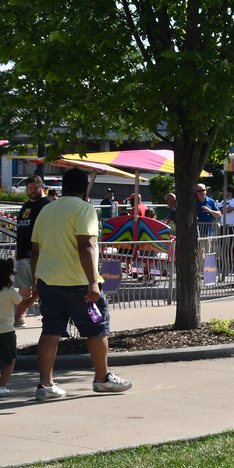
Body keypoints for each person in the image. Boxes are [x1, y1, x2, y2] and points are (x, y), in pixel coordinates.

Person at [31, 168, 132, 399]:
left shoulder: (46, 209)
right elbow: (85, 245)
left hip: (48, 281)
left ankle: (45, 386)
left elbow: (35, 250)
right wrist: (93, 283)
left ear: (63, 186)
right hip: (78, 285)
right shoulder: (84, 208)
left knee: (50, 332)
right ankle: (102, 378)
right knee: (97, 328)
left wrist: (36, 280)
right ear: (85, 188)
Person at [13, 175, 50, 327]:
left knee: (41, 287)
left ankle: (49, 318)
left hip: (40, 254)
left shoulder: (47, 204)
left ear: (42, 187)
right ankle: (19, 318)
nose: (33, 190)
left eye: (35, 187)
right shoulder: (26, 205)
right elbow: (21, 229)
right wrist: (17, 250)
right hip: (22, 253)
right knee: (23, 288)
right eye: (30, 188)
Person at [0, 258, 39, 396]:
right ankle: (2, 386)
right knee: (9, 360)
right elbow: (25, 304)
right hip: (5, 331)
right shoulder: (9, 291)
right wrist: (37, 294)